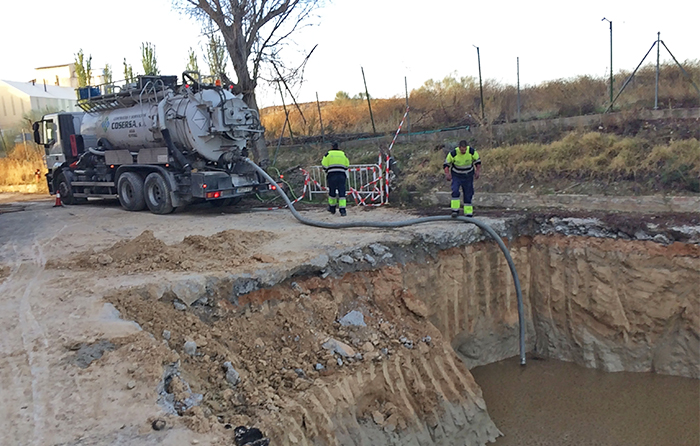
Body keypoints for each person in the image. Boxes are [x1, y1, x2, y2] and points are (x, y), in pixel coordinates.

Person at [444, 140, 481, 217]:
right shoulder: (453, 153)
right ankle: (455, 211)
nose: (463, 151)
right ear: (459, 148)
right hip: (456, 175)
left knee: (468, 193)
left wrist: (477, 171)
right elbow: (446, 164)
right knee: (455, 190)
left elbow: (478, 162)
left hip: (468, 175)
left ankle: (468, 213)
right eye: (462, 150)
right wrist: (447, 174)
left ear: (466, 147)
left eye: (464, 149)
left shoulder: (471, 151)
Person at [321, 142, 350, 216]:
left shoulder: (328, 154)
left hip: (332, 175)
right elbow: (347, 165)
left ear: (331, 147)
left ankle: (332, 208)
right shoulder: (343, 154)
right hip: (341, 175)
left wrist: (327, 170)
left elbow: (324, 165)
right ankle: (343, 210)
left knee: (332, 192)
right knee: (342, 193)